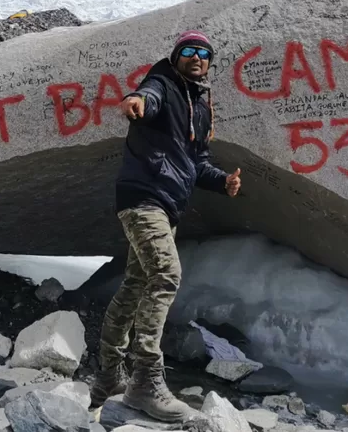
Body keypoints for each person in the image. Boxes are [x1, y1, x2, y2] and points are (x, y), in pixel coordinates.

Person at [94, 31, 243, 418]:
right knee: (166, 273)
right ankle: (144, 380)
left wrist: (222, 182)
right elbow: (148, 96)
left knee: (136, 283)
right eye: (189, 52)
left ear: (210, 62)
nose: (197, 58)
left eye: (204, 54)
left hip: (168, 204)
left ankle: (109, 374)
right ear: (176, 57)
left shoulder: (202, 107)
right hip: (143, 198)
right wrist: (136, 101)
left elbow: (198, 163)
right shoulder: (161, 82)